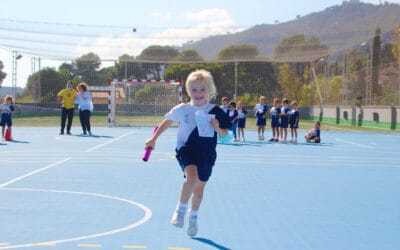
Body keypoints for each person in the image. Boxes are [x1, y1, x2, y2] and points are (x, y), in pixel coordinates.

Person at [144, 69, 230, 237]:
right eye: (194, 89)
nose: (198, 93)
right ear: (188, 91)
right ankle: (180, 210)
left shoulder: (216, 111)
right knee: (191, 177)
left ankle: (193, 216)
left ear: (210, 90)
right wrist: (153, 139)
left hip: (206, 154)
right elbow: (166, 122)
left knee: (198, 190)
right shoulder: (182, 109)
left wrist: (217, 128)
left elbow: (227, 137)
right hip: (186, 150)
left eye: (202, 89)